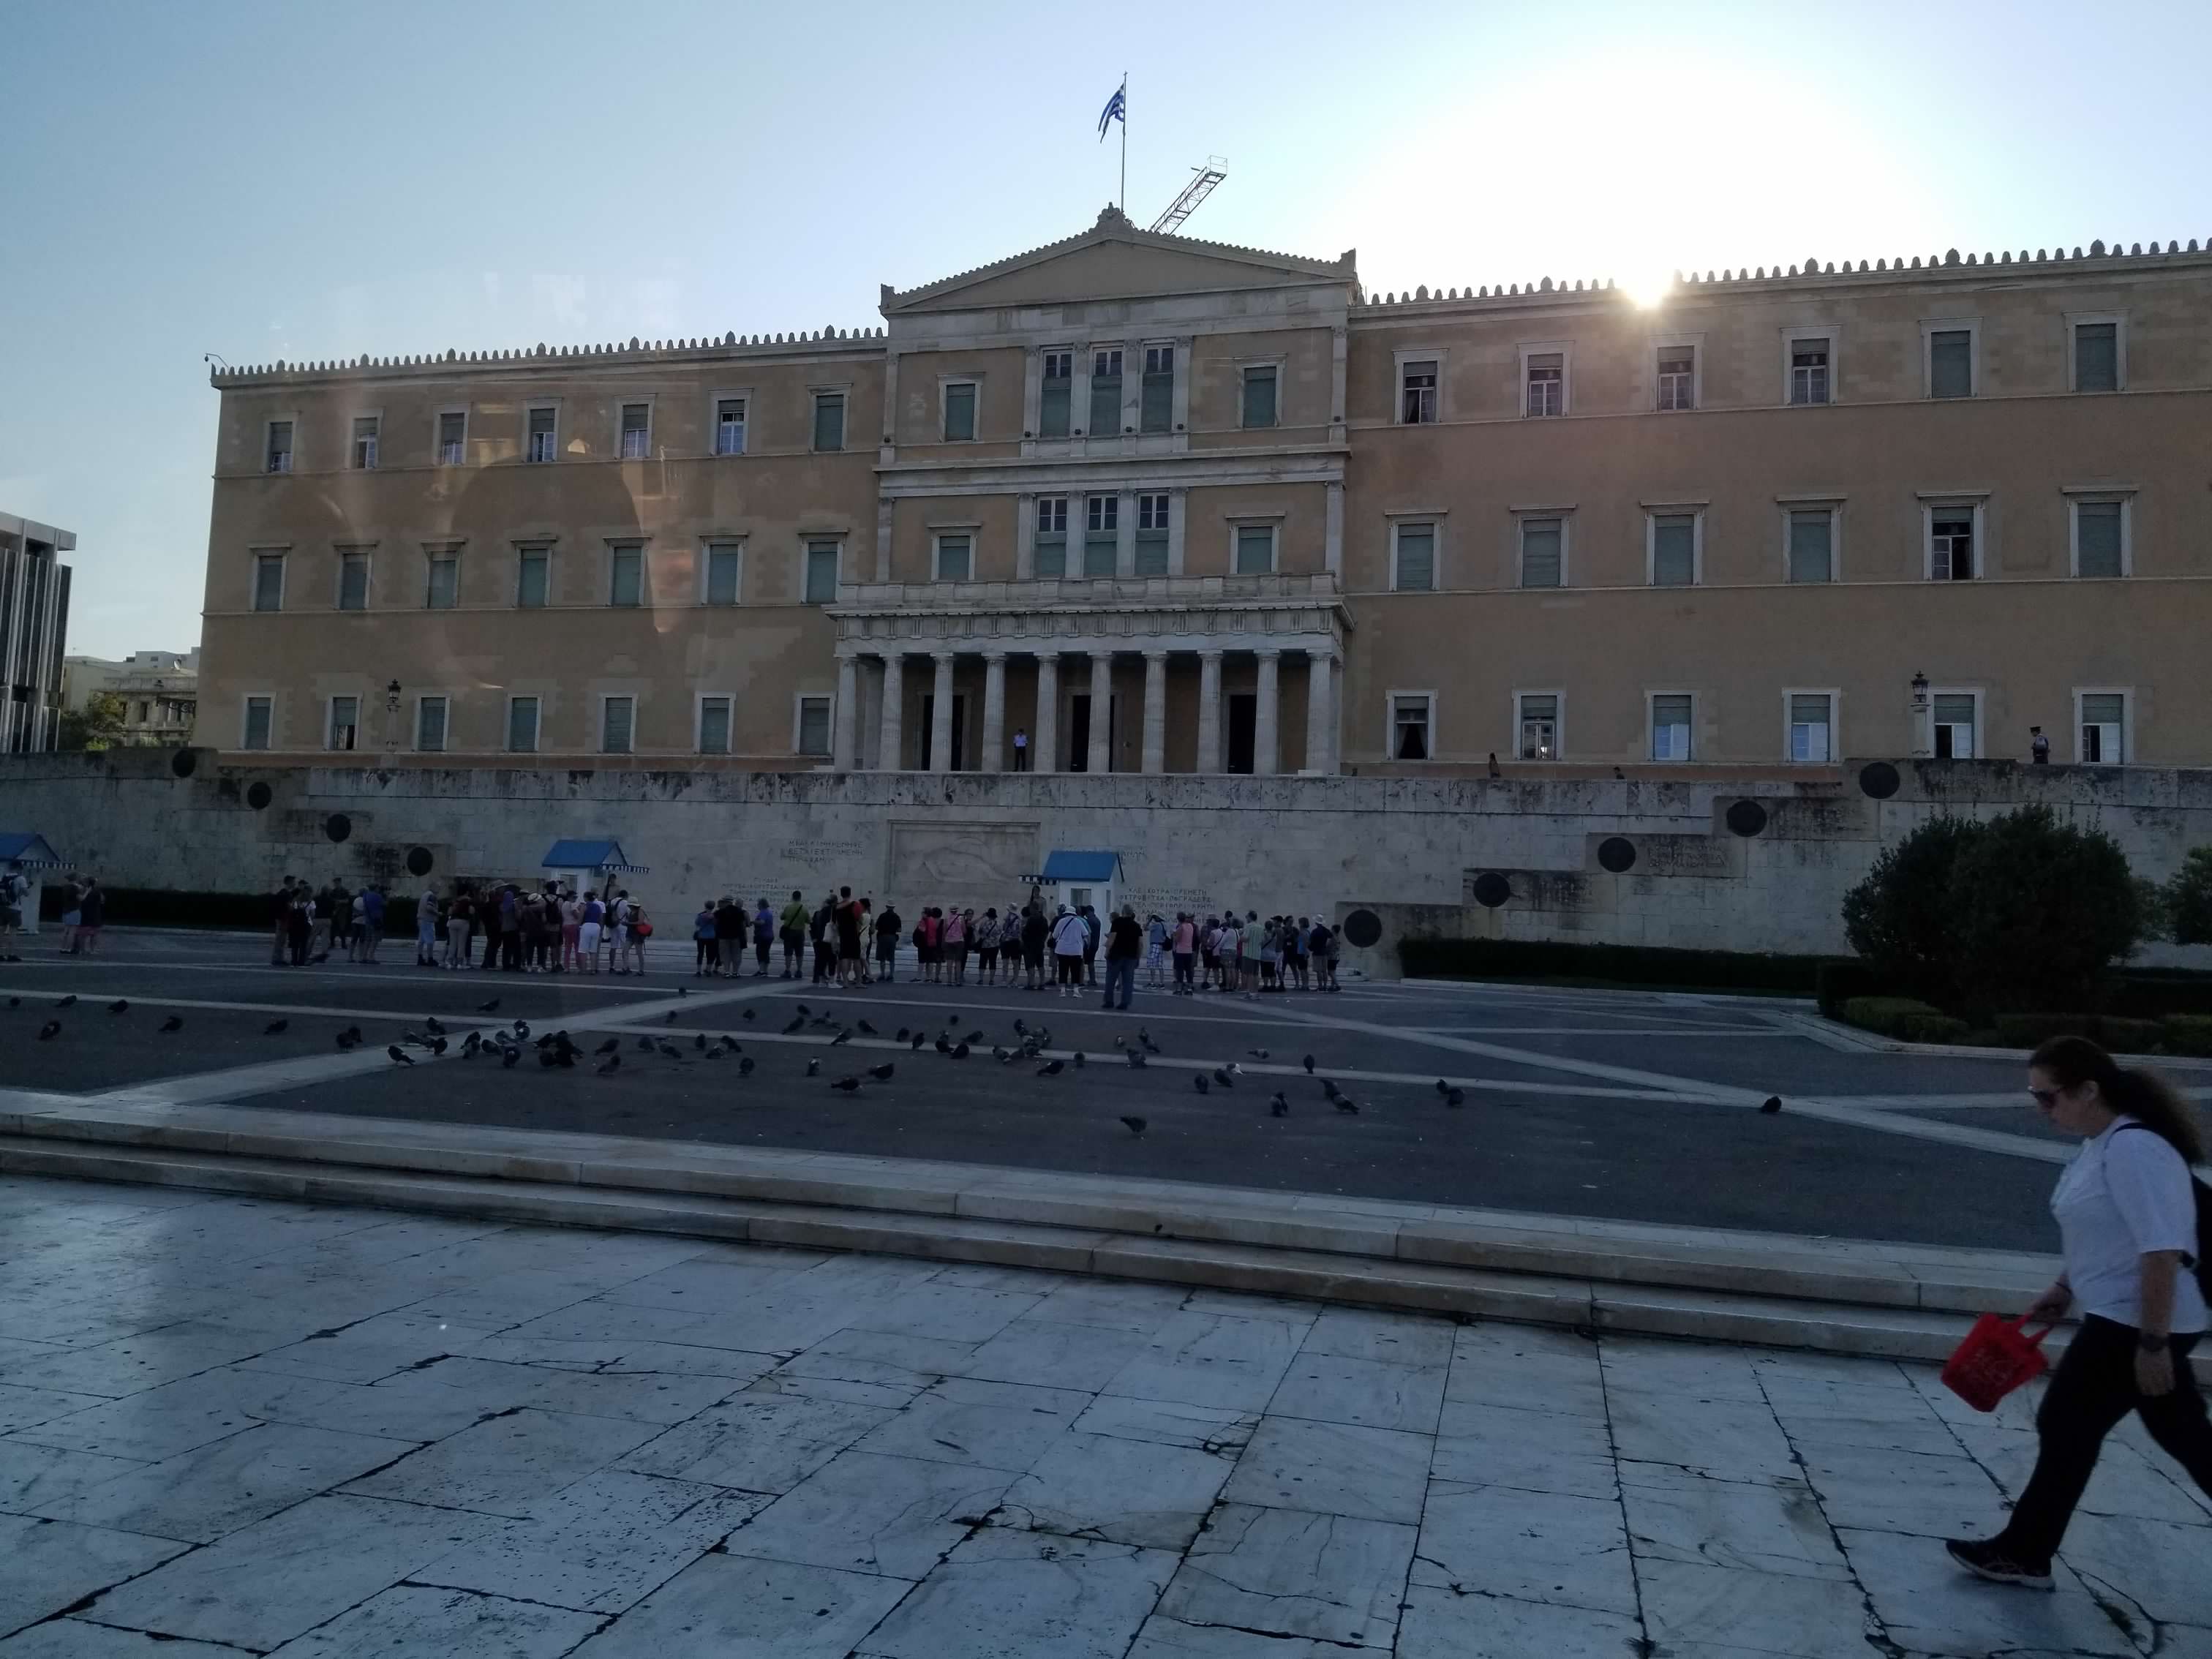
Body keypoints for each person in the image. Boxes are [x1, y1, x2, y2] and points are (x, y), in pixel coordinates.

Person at [1945, 1037, 2212, 1591]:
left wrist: (2154, 1345)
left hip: (2134, 1323)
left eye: (2049, 1097)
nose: (2042, 1109)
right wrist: (2065, 1286)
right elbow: (2108, 1232)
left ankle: (2025, 1553)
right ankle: (2025, 1552)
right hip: (2125, 1316)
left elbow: (2160, 1251)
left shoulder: (2136, 1149)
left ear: (2090, 1090)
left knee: (2066, 1424)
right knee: (2184, 1437)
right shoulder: (2102, 1142)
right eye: (2035, 1097)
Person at [1102, 903, 1143, 1010]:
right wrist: (1138, 957)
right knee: (1128, 981)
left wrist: (1107, 952)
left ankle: (1109, 1001)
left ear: (1123, 912)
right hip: (1131, 956)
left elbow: (1112, 938)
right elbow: (1140, 944)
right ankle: (1125, 1002)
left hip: (1116, 954)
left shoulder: (1117, 922)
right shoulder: (1136, 926)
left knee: (1111, 979)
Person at [1051, 905, 1087, 996]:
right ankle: (1076, 991)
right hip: (1076, 950)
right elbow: (1085, 934)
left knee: (1063, 970)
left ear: (1066, 913)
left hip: (1062, 949)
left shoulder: (1061, 921)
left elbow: (1054, 935)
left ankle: (1063, 991)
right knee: (1075, 970)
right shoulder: (1079, 922)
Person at [836, 886, 864, 988]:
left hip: (843, 934)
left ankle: (845, 982)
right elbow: (860, 920)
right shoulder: (855, 905)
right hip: (853, 933)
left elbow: (835, 923)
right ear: (850, 893)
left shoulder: (837, 906)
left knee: (844, 957)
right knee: (856, 958)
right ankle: (859, 983)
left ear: (841, 894)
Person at [779, 889, 809, 979]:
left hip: (789, 933)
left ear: (793, 897)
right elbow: (809, 921)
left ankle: (788, 970)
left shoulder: (788, 907)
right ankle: (799, 971)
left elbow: (782, 917)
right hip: (800, 933)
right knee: (799, 953)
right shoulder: (804, 909)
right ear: (800, 898)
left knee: (788, 952)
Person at [715, 895, 745, 977]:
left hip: (723, 936)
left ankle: (727, 972)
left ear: (725, 902)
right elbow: (742, 925)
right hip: (736, 936)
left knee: (725, 955)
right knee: (737, 955)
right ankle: (735, 972)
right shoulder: (739, 911)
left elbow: (716, 924)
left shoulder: (719, 912)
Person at [1021, 903, 1048, 990]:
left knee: (1030, 965)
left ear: (1033, 909)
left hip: (1030, 945)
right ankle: (1042, 983)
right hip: (1040, 944)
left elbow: (1026, 932)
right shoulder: (1043, 919)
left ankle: (1031, 983)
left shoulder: (1031, 919)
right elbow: (1046, 932)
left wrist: (1024, 938)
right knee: (1040, 965)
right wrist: (1043, 940)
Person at [874, 901, 902, 982]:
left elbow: (876, 927)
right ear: (894, 907)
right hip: (892, 937)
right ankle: (891, 975)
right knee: (891, 957)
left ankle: (882, 974)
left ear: (887, 907)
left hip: (882, 937)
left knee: (882, 957)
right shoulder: (896, 917)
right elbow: (899, 930)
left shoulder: (882, 916)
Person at [577, 890, 603, 973]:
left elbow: (580, 918)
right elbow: (600, 918)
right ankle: (593, 969)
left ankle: (583, 969)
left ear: (586, 898)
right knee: (593, 950)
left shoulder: (584, 906)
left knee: (583, 950)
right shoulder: (598, 907)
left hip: (586, 926)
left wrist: (578, 926)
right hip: (596, 927)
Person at [415, 884, 441, 967]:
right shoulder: (432, 896)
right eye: (438, 887)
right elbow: (429, 908)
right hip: (428, 920)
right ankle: (430, 958)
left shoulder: (424, 895)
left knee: (421, 940)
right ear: (433, 887)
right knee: (430, 940)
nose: (439, 889)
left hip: (421, 919)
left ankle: (420, 958)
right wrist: (438, 913)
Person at [1171, 911, 1196, 995]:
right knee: (1188, 970)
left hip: (1181, 951)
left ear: (1178, 918)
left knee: (1180, 970)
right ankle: (1189, 988)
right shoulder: (1191, 926)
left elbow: (1178, 940)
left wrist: (1174, 935)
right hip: (1189, 951)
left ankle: (1179, 989)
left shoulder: (1181, 927)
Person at [974, 908, 1001, 985]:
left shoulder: (984, 923)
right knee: (993, 962)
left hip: (984, 945)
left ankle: (981, 979)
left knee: (983, 962)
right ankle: (991, 980)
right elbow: (999, 933)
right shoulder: (998, 924)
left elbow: (980, 931)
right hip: (994, 945)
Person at [358, 883, 384, 963]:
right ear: (376, 888)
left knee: (368, 939)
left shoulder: (366, 896)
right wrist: (387, 895)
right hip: (376, 919)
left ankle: (364, 957)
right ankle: (371, 957)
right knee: (375, 939)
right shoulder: (378, 896)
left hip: (368, 919)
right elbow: (384, 904)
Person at [693, 901, 718, 976]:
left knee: (700, 953)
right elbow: (716, 924)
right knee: (709, 953)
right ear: (713, 907)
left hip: (701, 936)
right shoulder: (714, 916)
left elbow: (697, 923)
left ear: (705, 906)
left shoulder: (701, 915)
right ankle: (709, 970)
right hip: (711, 936)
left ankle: (698, 971)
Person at [752, 897, 774, 977]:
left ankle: (762, 971)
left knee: (760, 953)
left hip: (763, 936)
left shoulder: (763, 912)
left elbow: (762, 922)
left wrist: (753, 922)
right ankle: (764, 970)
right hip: (769, 936)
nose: (757, 906)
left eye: (758, 904)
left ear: (761, 905)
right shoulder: (769, 912)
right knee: (765, 953)